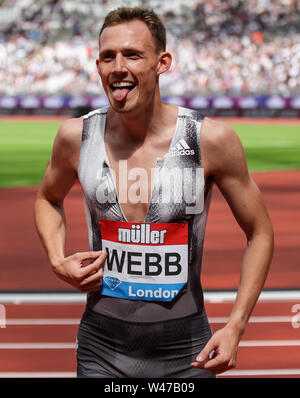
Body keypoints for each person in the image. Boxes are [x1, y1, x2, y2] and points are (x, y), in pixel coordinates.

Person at [34, 6, 274, 378]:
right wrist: (55, 258)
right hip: (101, 349)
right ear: (97, 65)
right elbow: (48, 198)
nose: (117, 67)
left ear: (162, 62)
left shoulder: (210, 139)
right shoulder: (75, 137)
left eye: (132, 54)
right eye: (107, 56)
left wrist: (237, 325)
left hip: (188, 350)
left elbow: (259, 232)